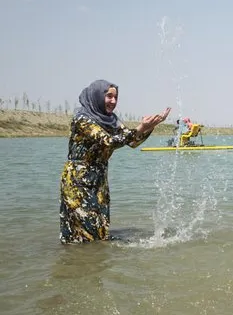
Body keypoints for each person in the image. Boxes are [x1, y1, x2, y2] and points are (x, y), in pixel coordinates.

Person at [59, 79, 171, 244]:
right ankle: (75, 263)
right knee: (80, 234)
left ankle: (92, 264)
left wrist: (150, 126)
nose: (113, 101)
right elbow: (109, 141)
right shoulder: (82, 119)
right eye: (109, 96)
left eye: (116, 97)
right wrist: (140, 128)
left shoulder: (111, 119)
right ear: (97, 96)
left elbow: (133, 142)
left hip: (99, 179)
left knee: (100, 229)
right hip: (78, 181)